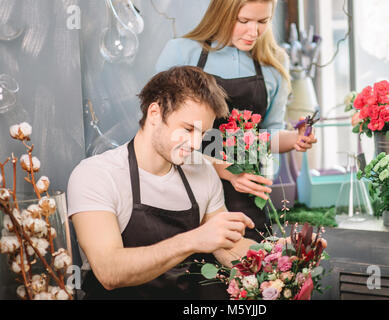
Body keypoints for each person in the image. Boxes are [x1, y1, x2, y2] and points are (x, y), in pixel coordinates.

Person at [67, 66, 257, 299]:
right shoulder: (96, 175)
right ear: (155, 113)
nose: (197, 144)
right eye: (188, 129)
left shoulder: (202, 173)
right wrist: (192, 240)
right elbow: (109, 271)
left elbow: (227, 248)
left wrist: (276, 256)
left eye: (203, 134)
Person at [156, 0, 317, 242]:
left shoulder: (273, 61)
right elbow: (161, 131)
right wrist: (228, 171)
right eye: (243, 21)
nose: (253, 32)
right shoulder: (181, 52)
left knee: (254, 270)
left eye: (263, 21)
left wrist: (294, 139)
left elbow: (264, 137)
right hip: (189, 188)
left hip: (247, 197)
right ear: (222, 13)